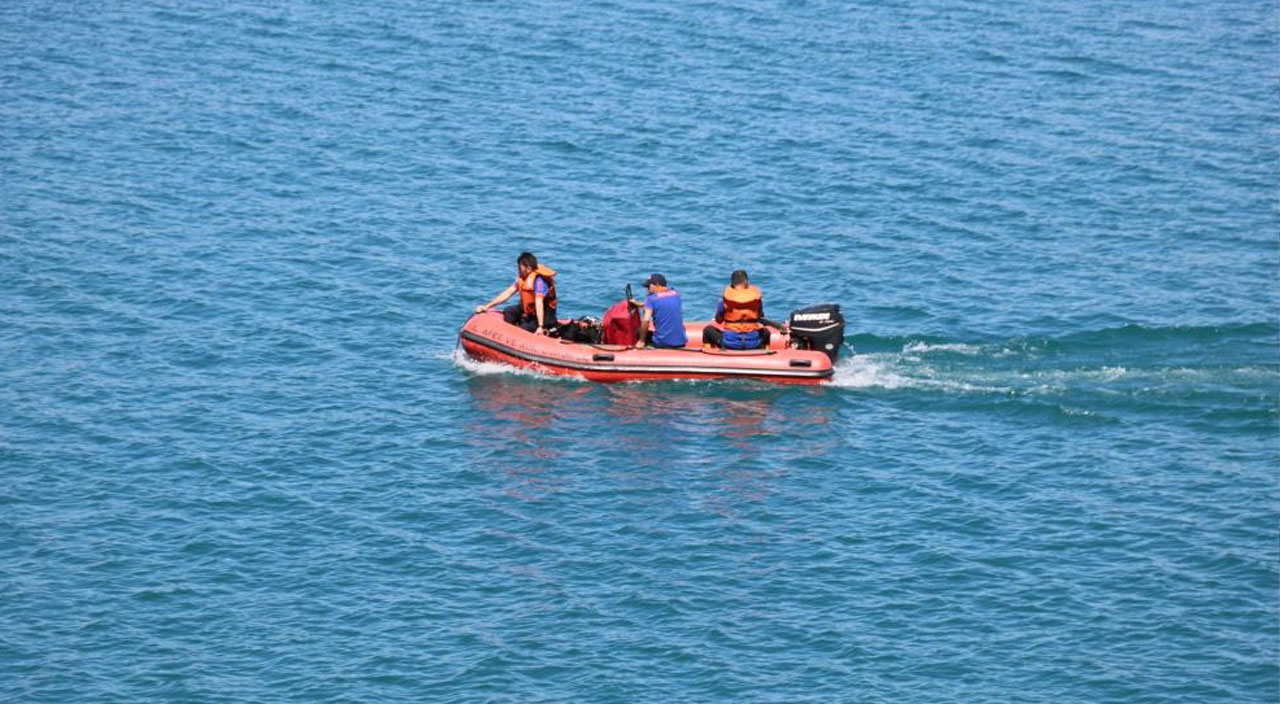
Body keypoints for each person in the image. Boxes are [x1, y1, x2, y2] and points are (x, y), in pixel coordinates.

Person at [474, 252, 558, 335]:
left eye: (520, 268)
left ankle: (521, 333)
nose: (518, 271)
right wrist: (486, 307)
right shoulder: (522, 279)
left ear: (528, 269)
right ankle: (508, 335)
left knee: (524, 329)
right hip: (530, 311)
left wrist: (540, 326)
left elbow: (539, 303)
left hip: (544, 316)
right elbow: (507, 293)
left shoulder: (539, 281)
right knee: (509, 311)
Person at [702, 269, 786, 350]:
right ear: (746, 283)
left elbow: (718, 320)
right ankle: (762, 354)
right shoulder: (756, 300)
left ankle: (709, 356)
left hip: (729, 343)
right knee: (766, 332)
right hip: (754, 343)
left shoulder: (724, 300)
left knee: (708, 330)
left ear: (732, 284)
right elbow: (761, 317)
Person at [631, 273, 688, 349]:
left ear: (657, 285)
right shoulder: (676, 295)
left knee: (638, 333)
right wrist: (639, 304)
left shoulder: (650, 299)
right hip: (681, 342)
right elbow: (661, 303)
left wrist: (641, 341)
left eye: (648, 286)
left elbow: (646, 321)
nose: (647, 289)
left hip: (663, 343)